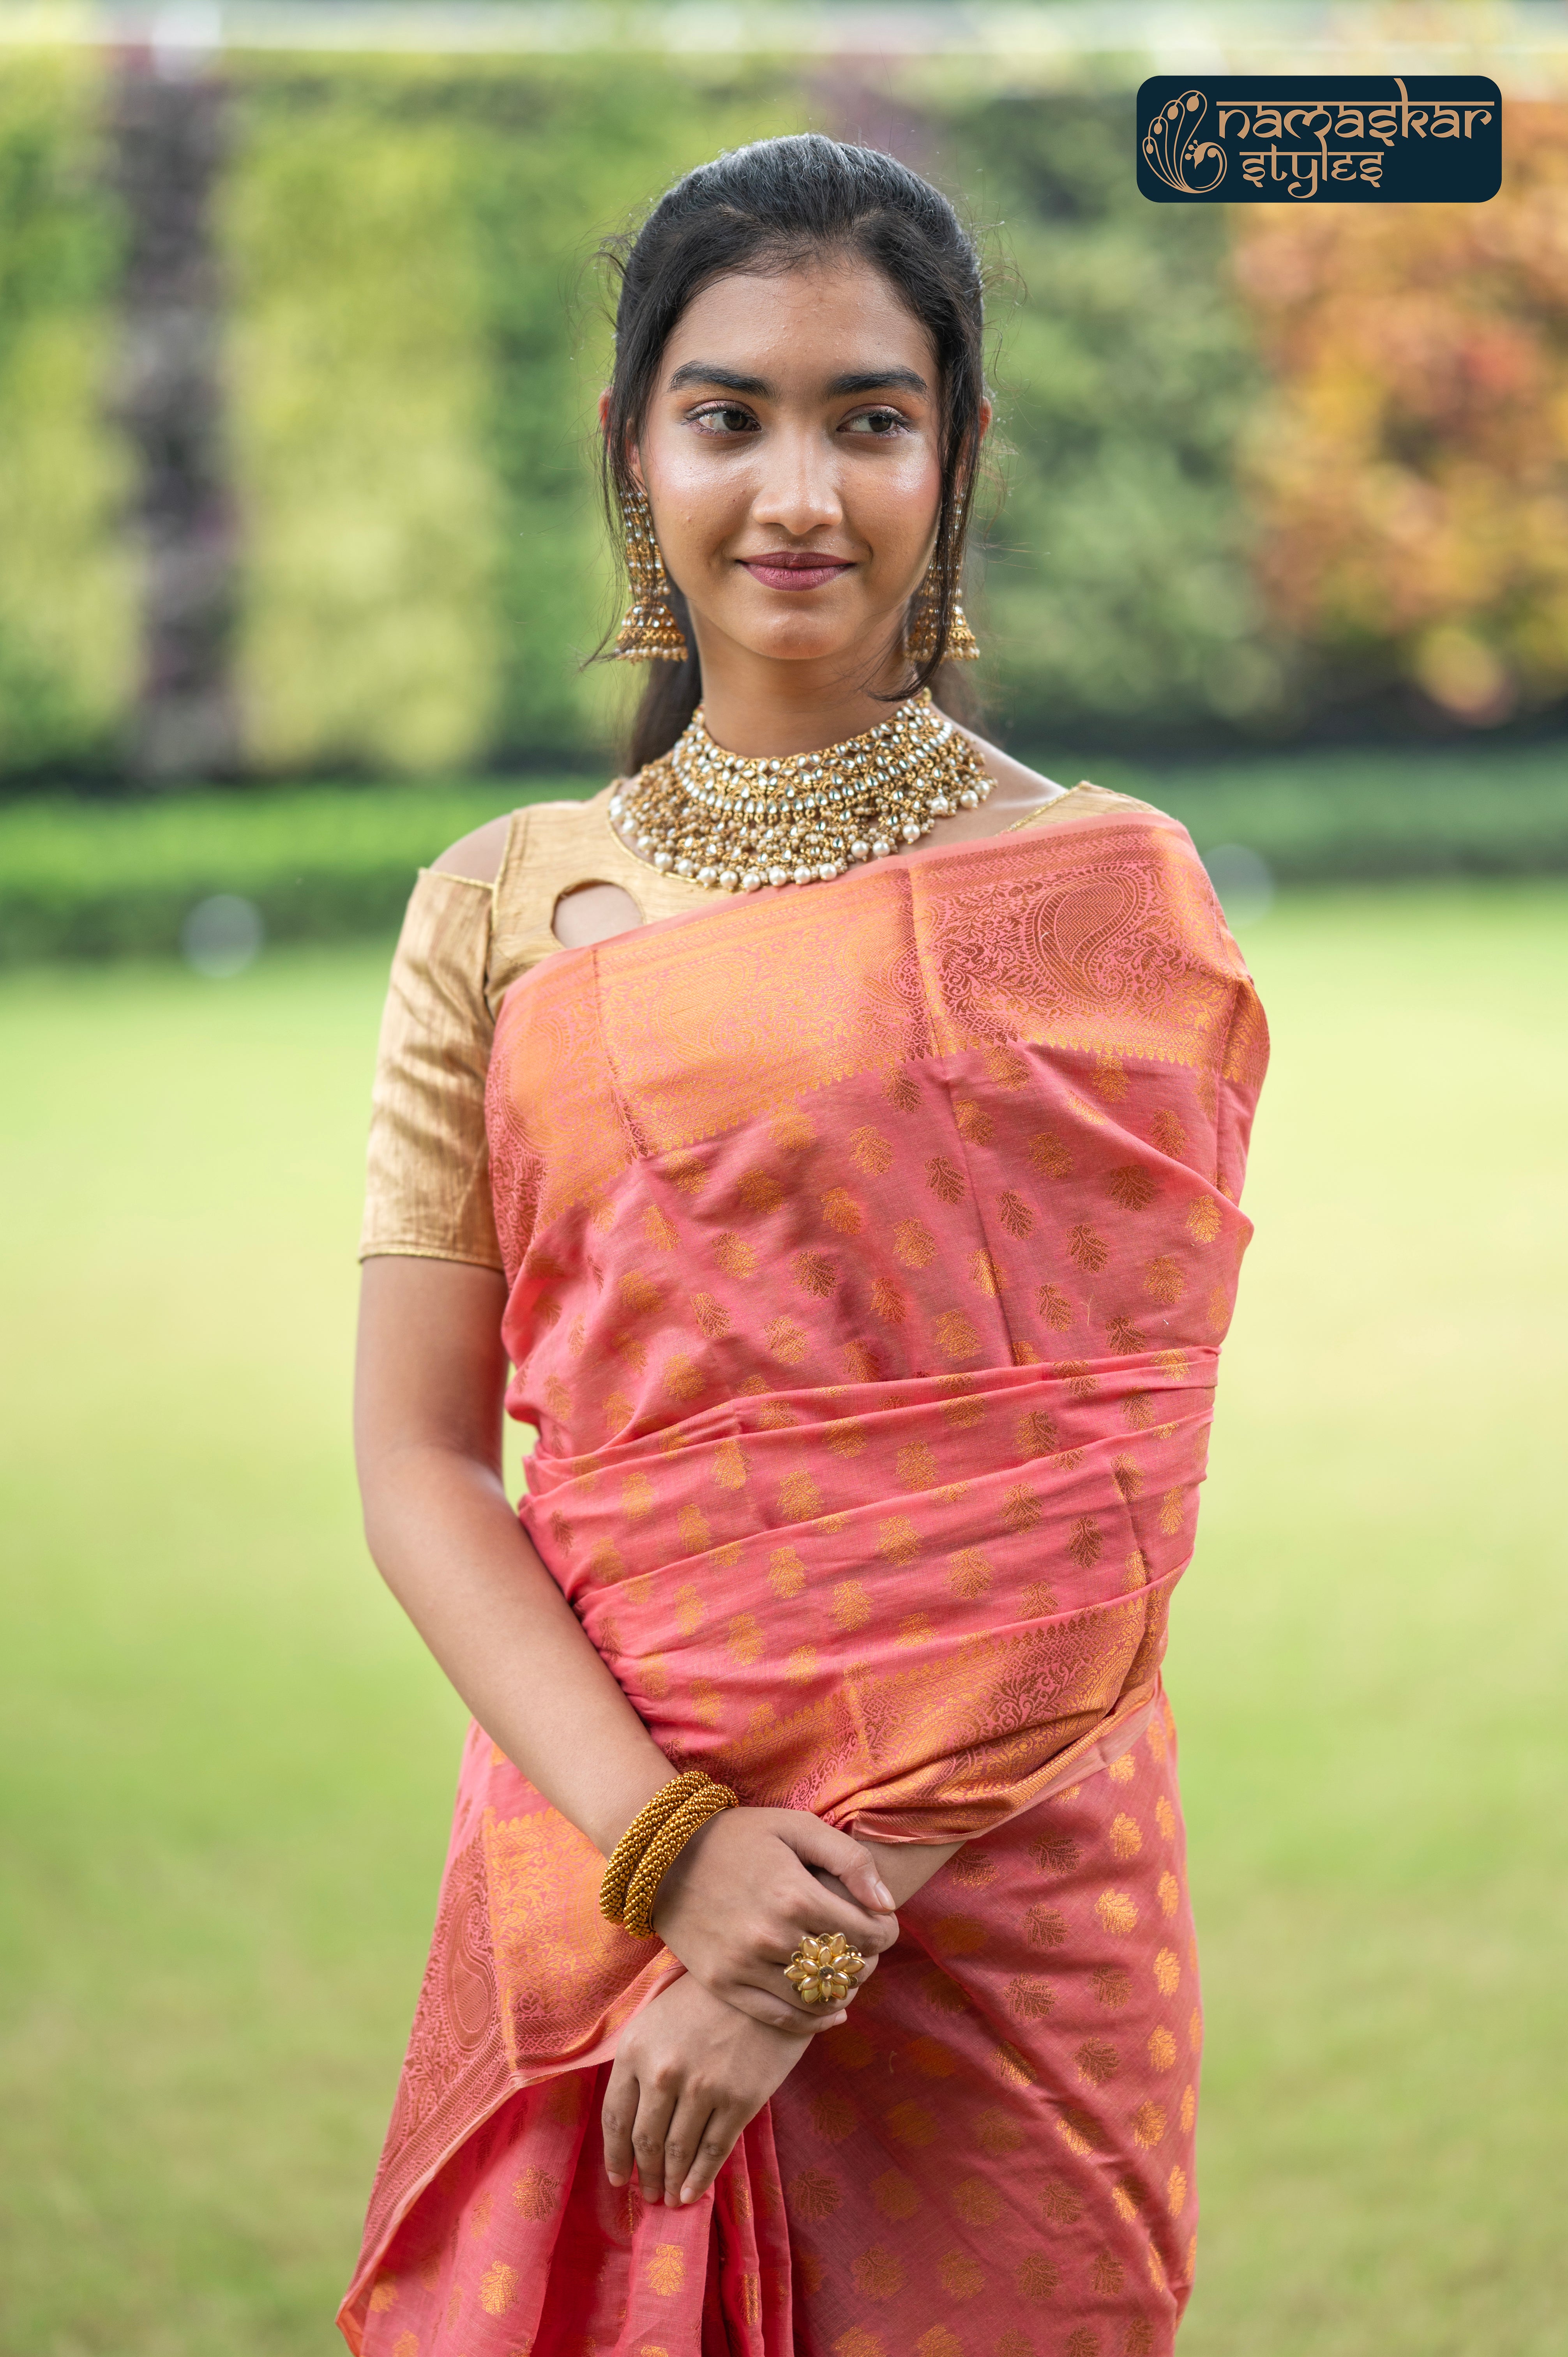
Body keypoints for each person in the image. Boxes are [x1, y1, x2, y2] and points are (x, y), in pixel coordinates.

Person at [339, 134, 1267, 2357]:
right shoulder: (501, 905)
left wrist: (803, 1943)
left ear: (954, 458)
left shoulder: (1095, 898)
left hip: (994, 1885)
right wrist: (672, 1858)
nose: (795, 491)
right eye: (726, 412)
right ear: (629, 447)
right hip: (605, 1827)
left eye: (869, 419)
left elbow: (1104, 1492)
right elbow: (419, 1464)